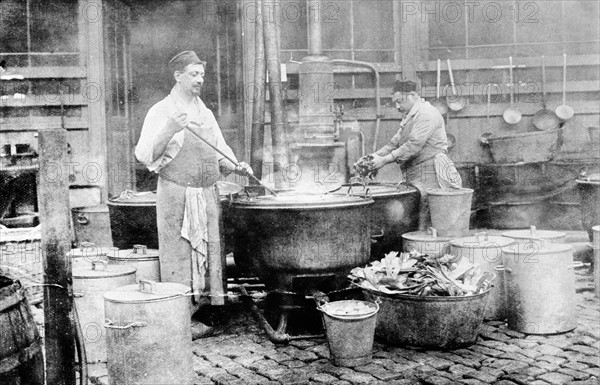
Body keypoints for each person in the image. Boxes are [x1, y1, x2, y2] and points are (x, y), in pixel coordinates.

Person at [135, 51, 252, 337]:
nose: (200, 79)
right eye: (193, 74)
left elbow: (219, 152)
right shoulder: (162, 111)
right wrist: (169, 129)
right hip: (177, 195)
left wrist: (236, 166)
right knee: (180, 254)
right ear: (177, 76)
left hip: (207, 194)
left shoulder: (206, 113)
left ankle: (206, 309)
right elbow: (144, 154)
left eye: (202, 74)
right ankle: (181, 319)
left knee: (211, 252)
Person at [366, 80, 462, 230]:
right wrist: (371, 158)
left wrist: (383, 161)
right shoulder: (409, 116)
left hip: (431, 171)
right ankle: (418, 250)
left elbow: (413, 145)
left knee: (429, 216)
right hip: (415, 172)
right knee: (419, 215)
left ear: (412, 95)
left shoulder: (427, 113)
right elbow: (394, 143)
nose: (397, 106)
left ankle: (430, 251)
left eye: (399, 101)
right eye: (395, 102)